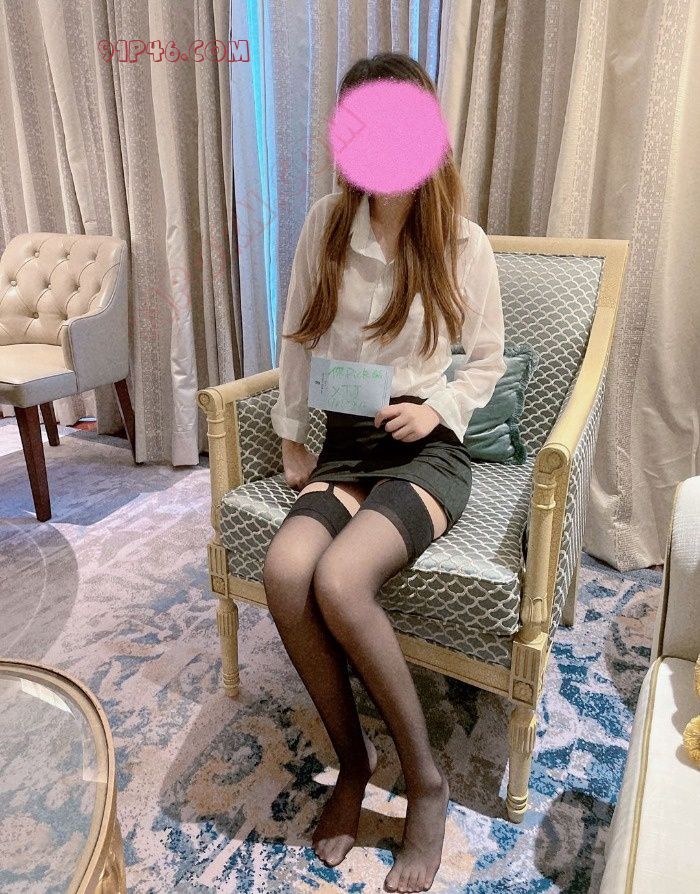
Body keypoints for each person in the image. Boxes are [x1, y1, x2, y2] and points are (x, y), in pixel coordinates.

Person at [263, 51, 506, 894]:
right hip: (346, 443)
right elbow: (299, 334)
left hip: (426, 451)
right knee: (284, 571)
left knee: (339, 580)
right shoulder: (326, 224)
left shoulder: (462, 241)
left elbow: (486, 361)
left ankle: (427, 783)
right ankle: (354, 764)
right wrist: (291, 439)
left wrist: (438, 409)